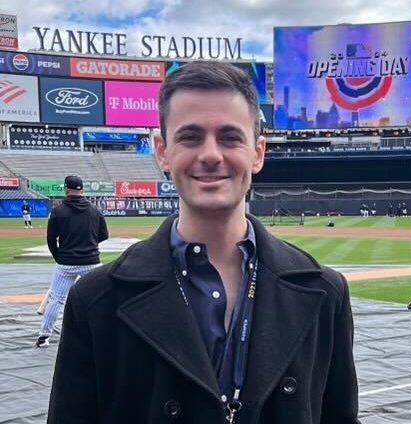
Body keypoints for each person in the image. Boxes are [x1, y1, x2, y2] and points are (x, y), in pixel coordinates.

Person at [48, 62, 360, 423]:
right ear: (163, 151)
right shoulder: (95, 300)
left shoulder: (325, 293)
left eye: (230, 137)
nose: (211, 154)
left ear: (258, 153)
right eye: (191, 137)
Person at [36, 175, 109, 347]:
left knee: (56, 300)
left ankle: (43, 337)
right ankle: (103, 334)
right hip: (91, 261)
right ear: (82, 189)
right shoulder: (94, 210)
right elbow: (104, 235)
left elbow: (50, 239)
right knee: (98, 298)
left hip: (66, 263)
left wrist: (60, 257)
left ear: (66, 189)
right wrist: (89, 245)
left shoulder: (58, 211)